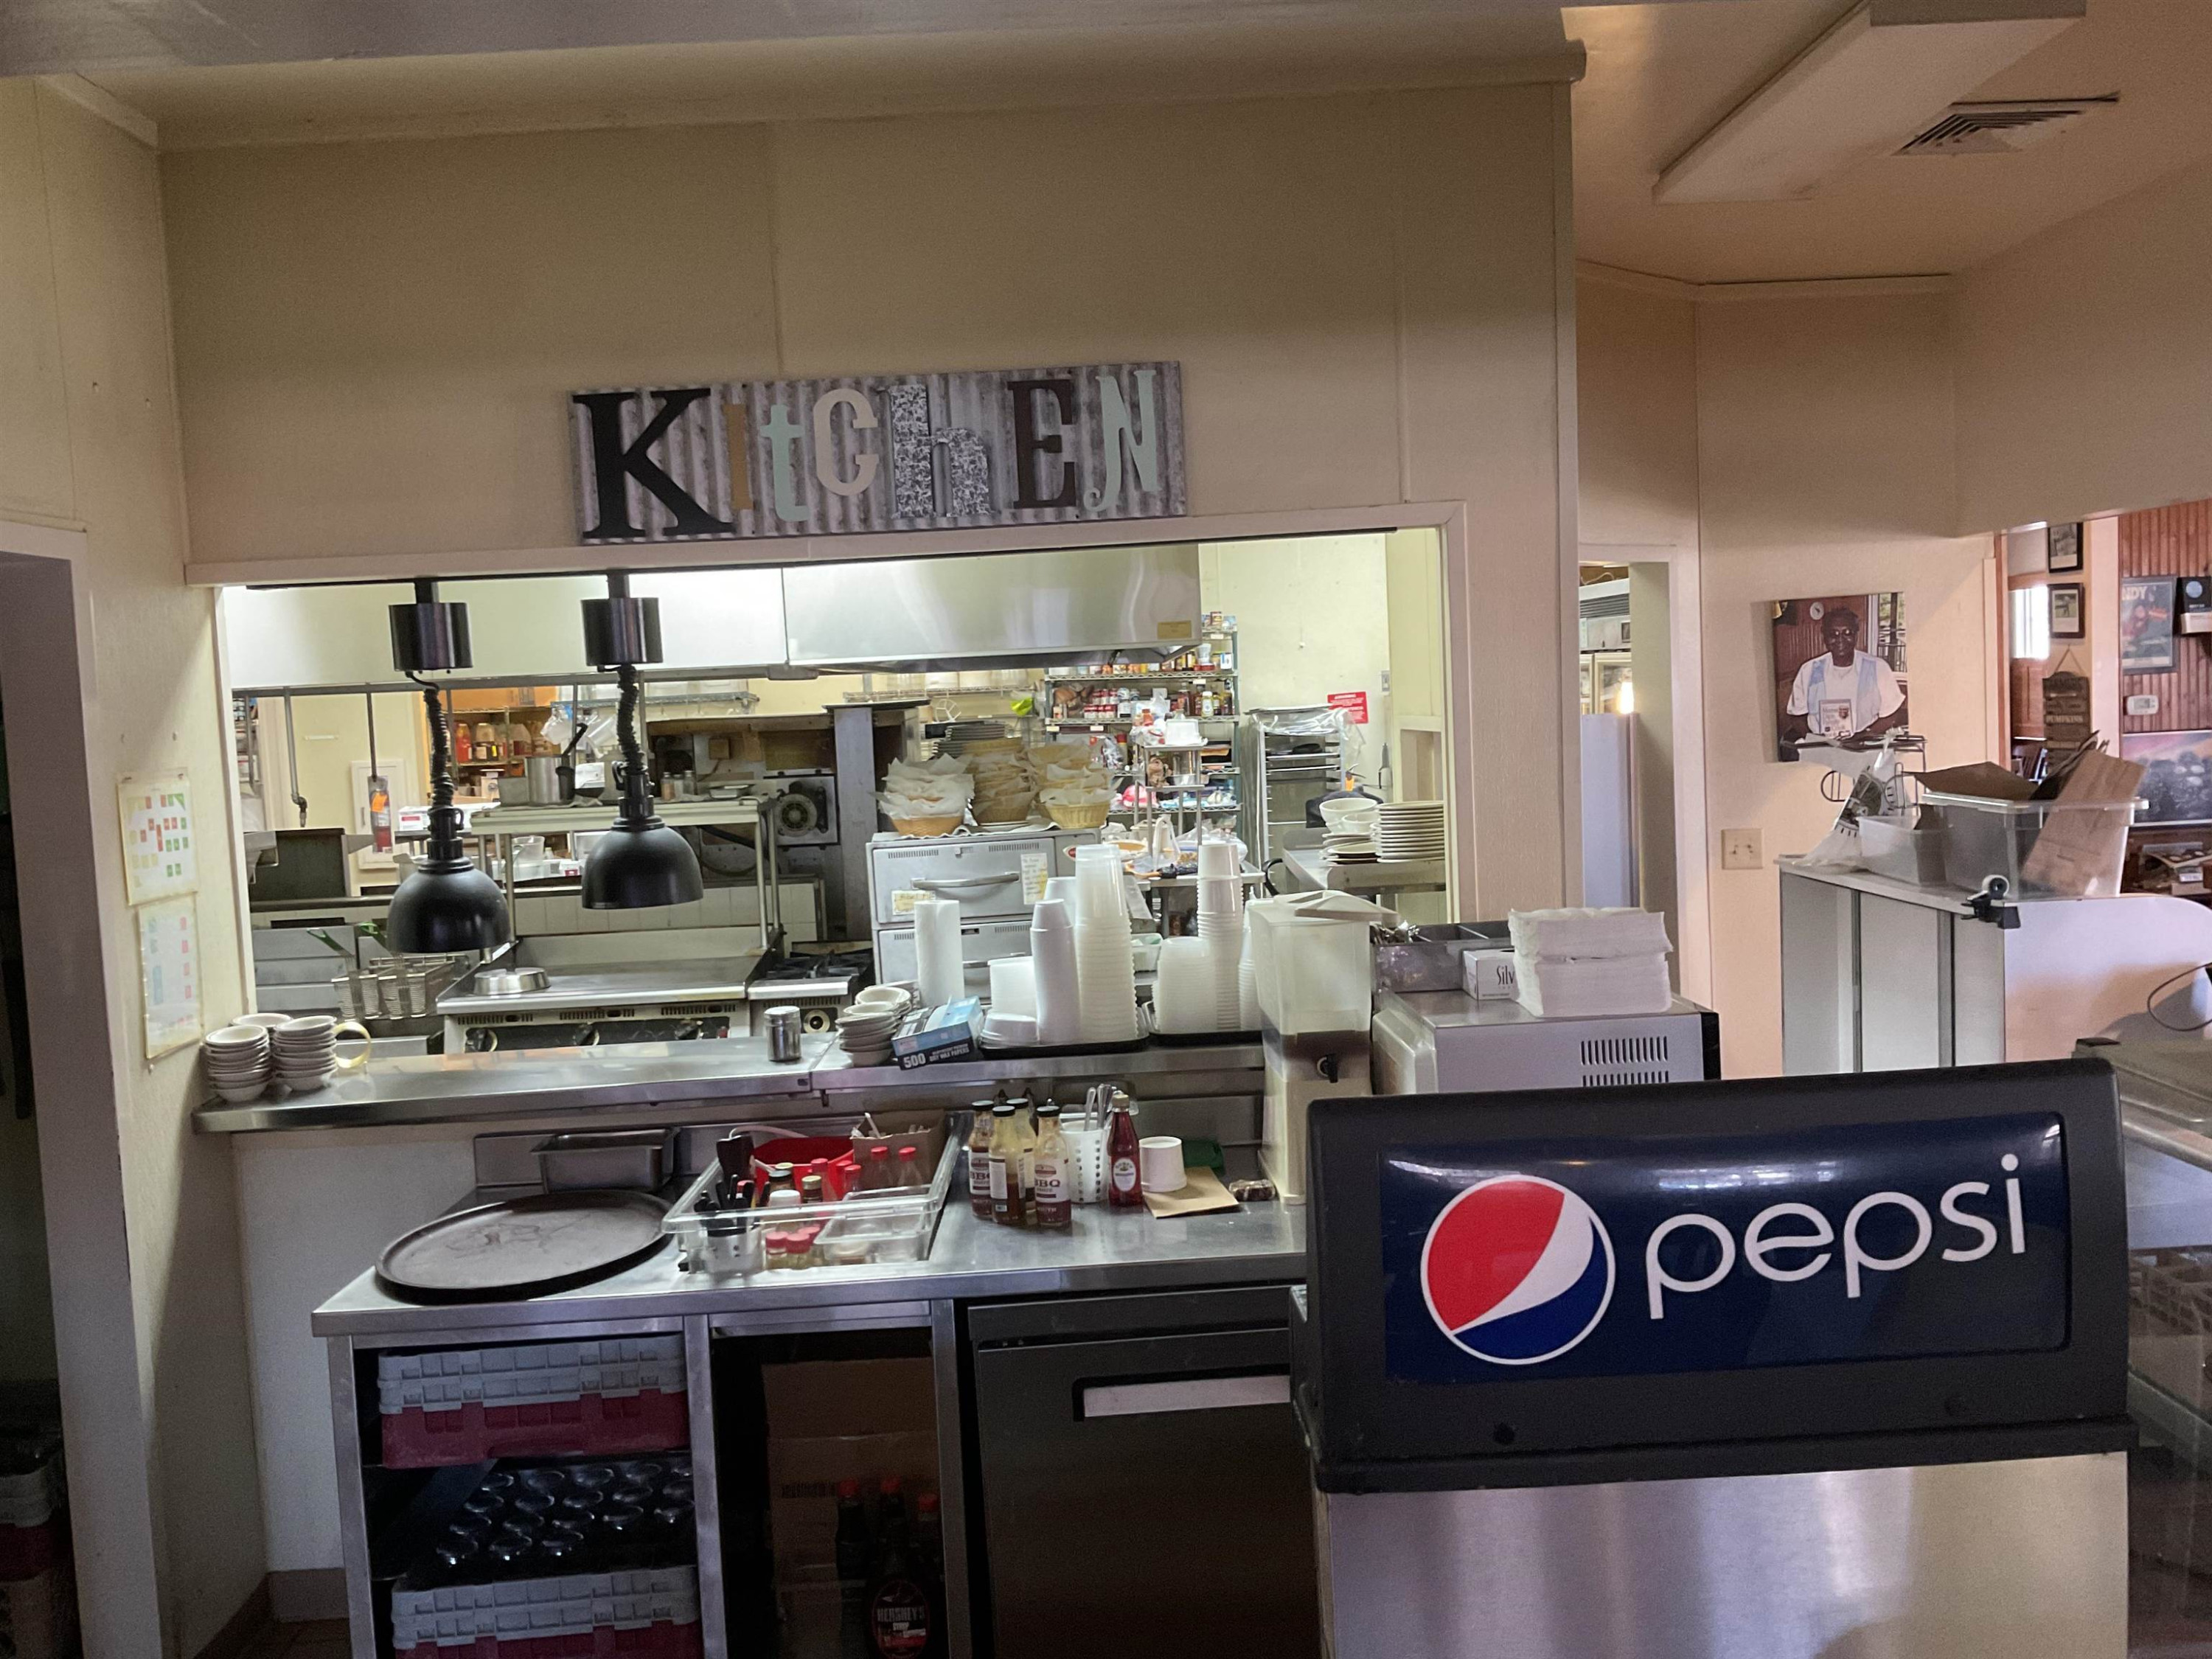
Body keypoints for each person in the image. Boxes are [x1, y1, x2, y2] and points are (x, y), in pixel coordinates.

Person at [1780, 607, 1906, 749]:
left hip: (1865, 748)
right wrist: (1816, 740)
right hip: (1820, 750)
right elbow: (1797, 716)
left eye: (1847, 633)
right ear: (1824, 636)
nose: (1840, 639)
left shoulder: (1879, 668)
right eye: (1833, 634)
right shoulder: (1808, 670)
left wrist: (1864, 735)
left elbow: (1891, 714)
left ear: (1856, 634)